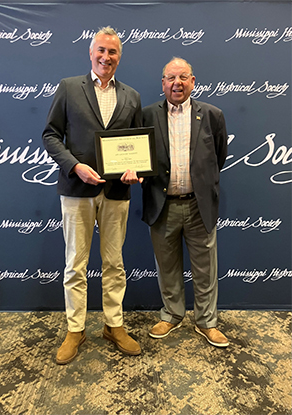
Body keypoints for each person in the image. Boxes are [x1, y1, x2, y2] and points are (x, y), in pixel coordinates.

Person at [42, 27, 142, 364]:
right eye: (101, 50)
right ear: (90, 53)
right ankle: (76, 329)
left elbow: (137, 144)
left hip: (116, 192)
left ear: (119, 56)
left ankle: (114, 325)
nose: (106, 57)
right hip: (76, 189)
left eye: (112, 52)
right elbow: (51, 135)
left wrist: (133, 170)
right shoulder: (69, 88)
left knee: (115, 263)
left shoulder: (131, 95)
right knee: (75, 264)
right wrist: (75, 166)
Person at [142, 57, 229, 347]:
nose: (176, 83)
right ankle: (172, 315)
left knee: (205, 268)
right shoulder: (147, 115)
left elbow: (219, 156)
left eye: (183, 77)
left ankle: (207, 322)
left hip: (198, 204)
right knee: (167, 266)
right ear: (163, 83)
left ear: (193, 81)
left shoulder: (213, 115)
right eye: (170, 78)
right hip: (162, 203)